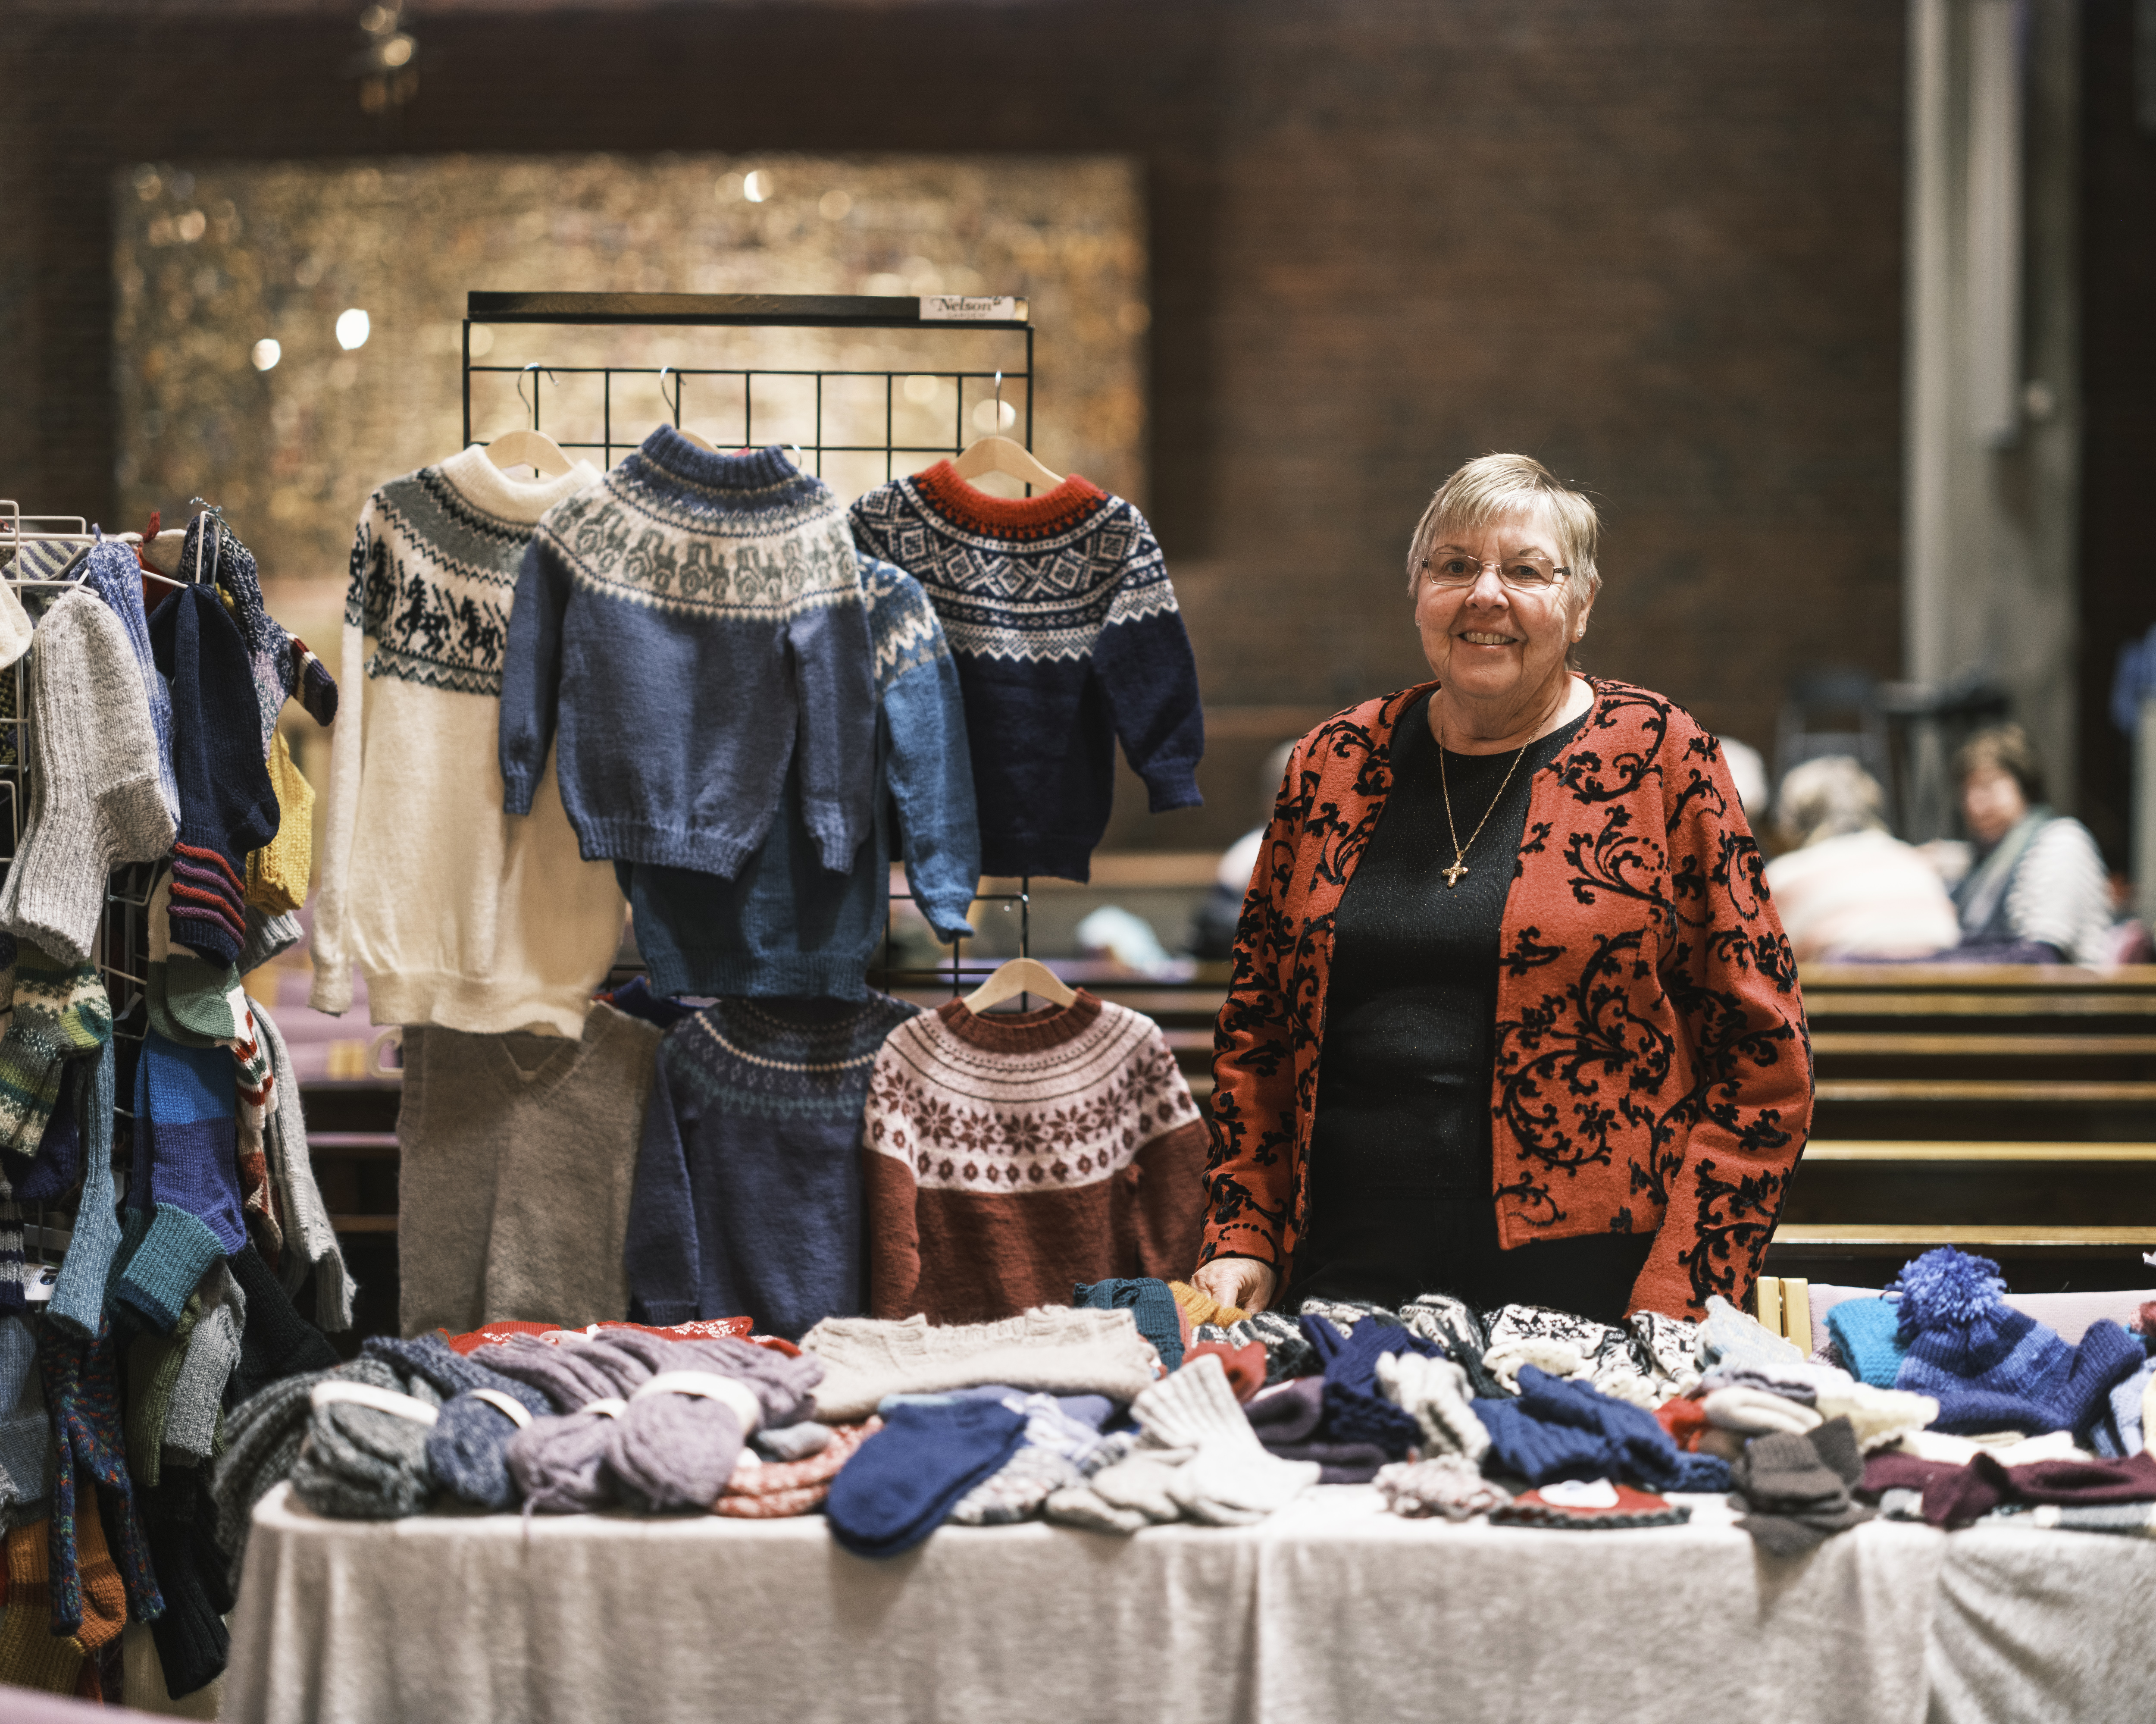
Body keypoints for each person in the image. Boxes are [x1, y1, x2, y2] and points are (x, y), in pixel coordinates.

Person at [1189, 454, 1812, 1325]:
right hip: (1344, 1270)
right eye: (1454, 566)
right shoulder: (1333, 761)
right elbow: (1257, 1028)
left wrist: (1684, 1286)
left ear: (1581, 603)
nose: (1485, 594)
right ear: (1417, 592)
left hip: (1596, 1287)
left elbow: (1762, 1062)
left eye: (1524, 570)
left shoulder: (1662, 756)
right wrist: (1243, 1230)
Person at [1763, 755, 1959, 963]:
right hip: (1945, 977)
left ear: (1793, 819)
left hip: (1844, 987)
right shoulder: (1915, 861)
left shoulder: (1786, 875)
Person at [1948, 725, 2113, 965]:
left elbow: (2043, 957)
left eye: (1987, 786)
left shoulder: (2061, 842)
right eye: (1967, 791)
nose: (1976, 804)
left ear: (2023, 786)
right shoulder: (1984, 864)